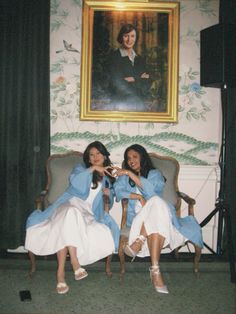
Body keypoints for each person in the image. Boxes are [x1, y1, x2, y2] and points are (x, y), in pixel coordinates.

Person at [25, 141, 120, 294]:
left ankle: (60, 274)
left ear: (105, 156)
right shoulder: (81, 169)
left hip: (86, 213)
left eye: (98, 154)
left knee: (67, 222)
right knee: (70, 213)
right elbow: (75, 183)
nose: (95, 157)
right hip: (67, 205)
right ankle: (74, 263)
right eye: (91, 155)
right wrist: (93, 169)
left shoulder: (108, 178)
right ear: (88, 159)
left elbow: (108, 202)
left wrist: (109, 194)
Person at [113, 144, 203, 294]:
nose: (131, 161)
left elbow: (151, 192)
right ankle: (152, 264)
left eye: (134, 156)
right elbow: (118, 191)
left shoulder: (155, 174)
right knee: (155, 202)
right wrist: (137, 196)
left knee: (155, 201)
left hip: (160, 215)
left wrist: (131, 174)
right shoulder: (123, 176)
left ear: (142, 157)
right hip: (139, 218)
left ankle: (147, 253)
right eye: (128, 158)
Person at [107, 23, 152, 111]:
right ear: (121, 37)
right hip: (121, 103)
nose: (129, 40)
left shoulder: (139, 59)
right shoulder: (114, 57)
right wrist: (139, 78)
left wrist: (133, 79)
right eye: (126, 36)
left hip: (139, 103)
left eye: (132, 36)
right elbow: (116, 84)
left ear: (136, 38)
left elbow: (147, 83)